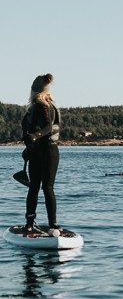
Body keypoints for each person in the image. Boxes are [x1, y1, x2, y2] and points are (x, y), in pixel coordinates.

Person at [21, 73, 61, 232]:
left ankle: (32, 224)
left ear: (33, 91)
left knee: (38, 188)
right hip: (46, 151)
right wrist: (28, 148)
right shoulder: (49, 104)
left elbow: (47, 127)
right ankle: (52, 225)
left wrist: (34, 136)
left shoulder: (41, 105)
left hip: (44, 151)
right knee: (45, 188)